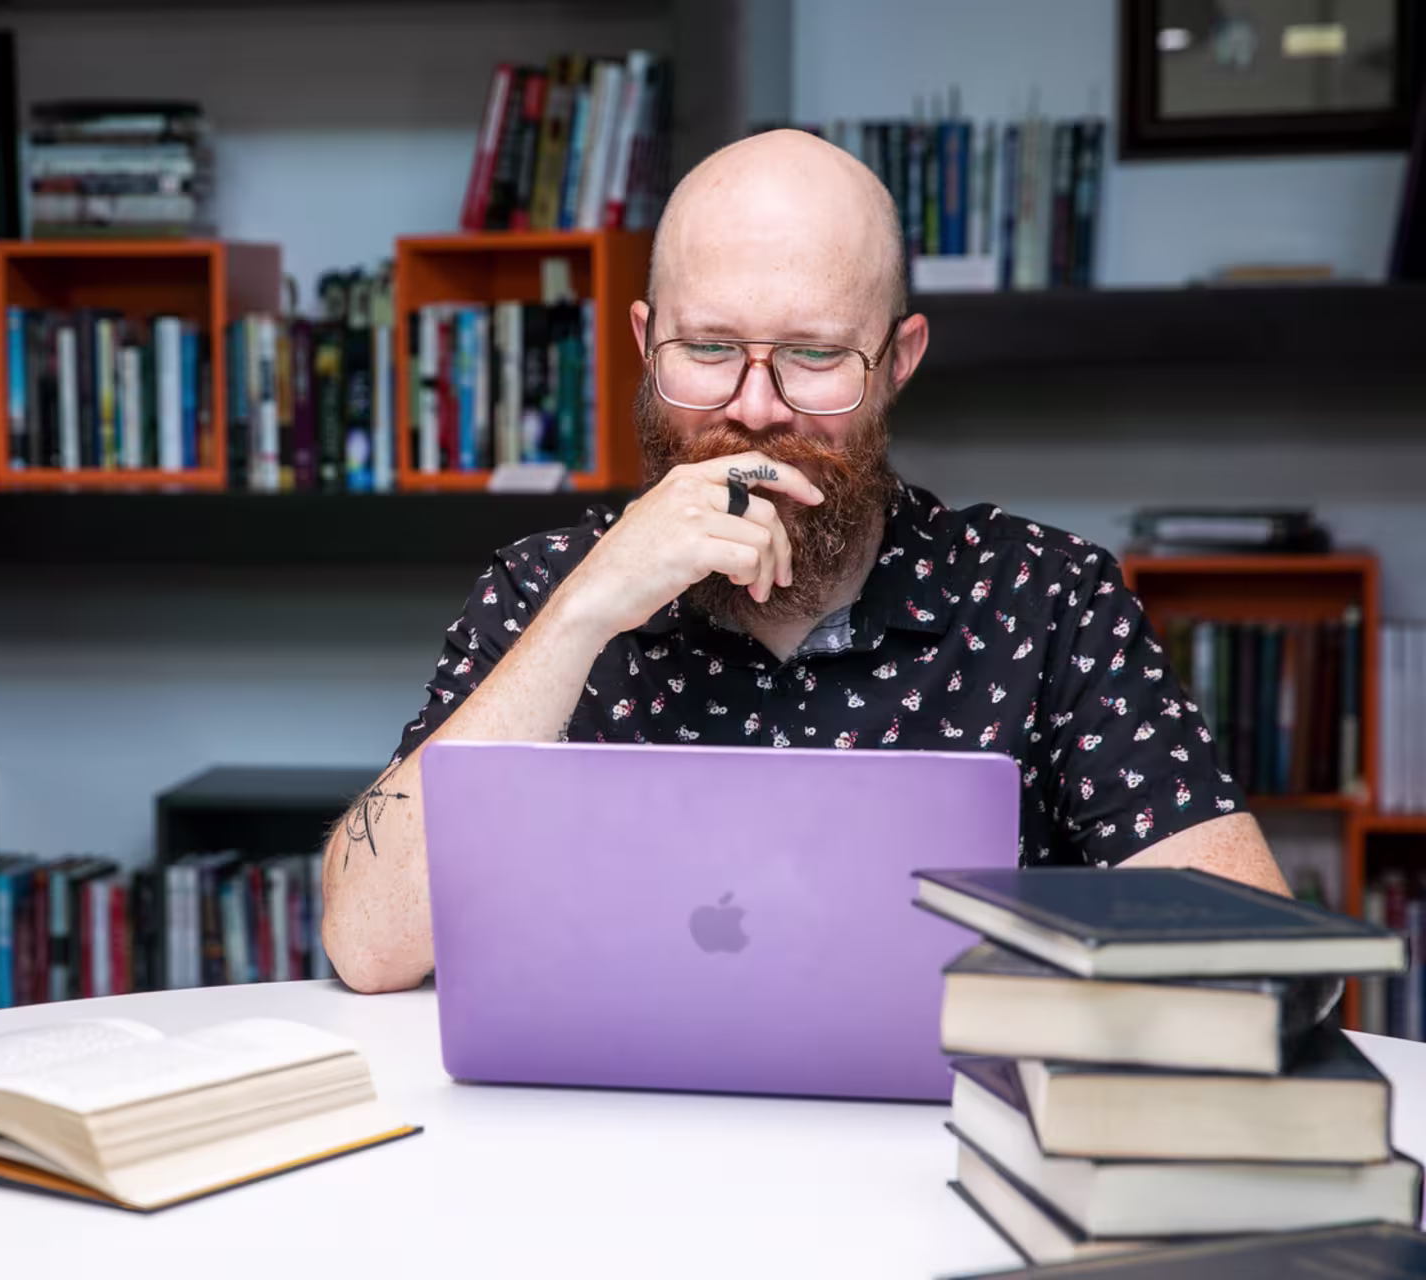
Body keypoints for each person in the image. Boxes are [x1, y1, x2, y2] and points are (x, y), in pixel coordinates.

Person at [320, 130, 1289, 995]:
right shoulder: (545, 589)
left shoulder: (1046, 599)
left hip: (942, 1133)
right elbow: (369, 945)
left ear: (899, 358)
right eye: (708, 347)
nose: (755, 407)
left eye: (815, 356)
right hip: (609, 1127)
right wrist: (584, 614)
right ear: (644, 341)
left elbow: (1251, 968)